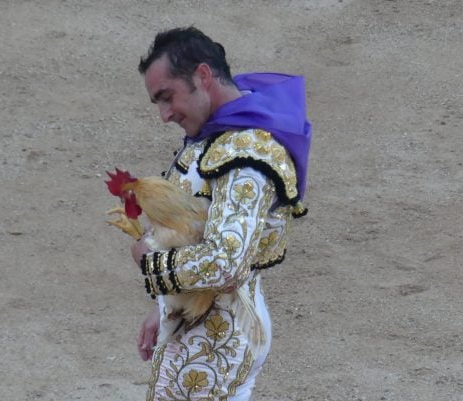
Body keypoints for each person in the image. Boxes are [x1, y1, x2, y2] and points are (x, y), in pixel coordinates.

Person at [132, 26, 311, 400]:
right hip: (205, 326)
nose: (165, 115)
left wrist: (151, 263)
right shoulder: (221, 134)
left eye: (168, 97)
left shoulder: (247, 155)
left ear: (202, 76)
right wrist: (165, 306)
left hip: (217, 340)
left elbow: (226, 261)